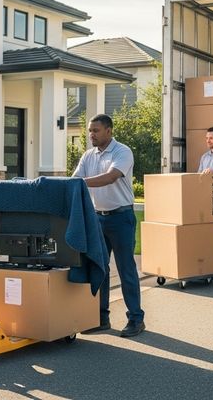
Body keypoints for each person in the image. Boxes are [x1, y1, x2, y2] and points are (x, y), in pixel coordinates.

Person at [73, 114, 145, 337]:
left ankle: (136, 319)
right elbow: (75, 179)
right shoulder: (88, 155)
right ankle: (100, 318)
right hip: (97, 219)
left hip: (121, 218)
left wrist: (79, 183)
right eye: (89, 131)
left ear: (109, 131)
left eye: (95, 130)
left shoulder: (122, 152)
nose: (91, 135)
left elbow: (110, 177)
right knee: (99, 267)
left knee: (126, 269)